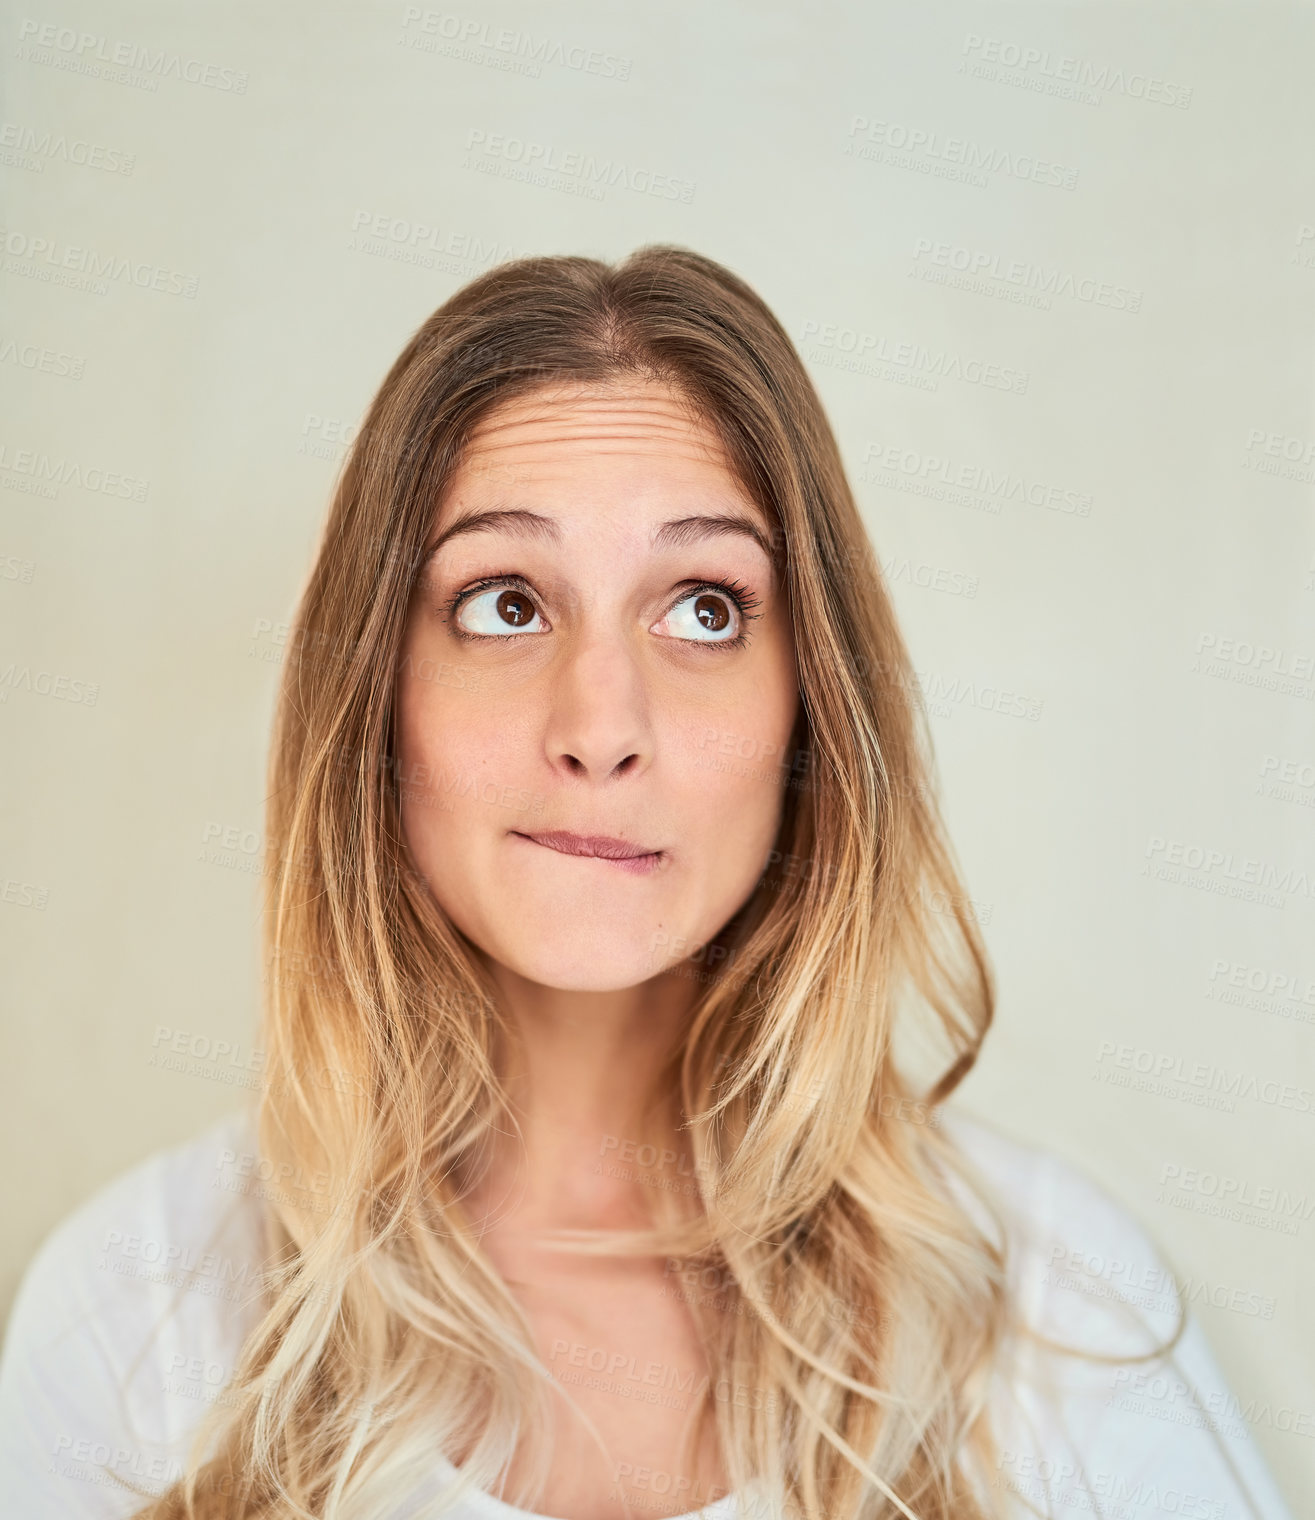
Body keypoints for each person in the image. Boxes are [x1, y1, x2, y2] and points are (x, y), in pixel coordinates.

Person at [0, 246, 1297, 1520]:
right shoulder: (136, 1312)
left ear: (813, 708)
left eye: (705, 608)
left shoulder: (1064, 1320)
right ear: (377, 701)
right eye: (506, 601)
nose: (602, 722)